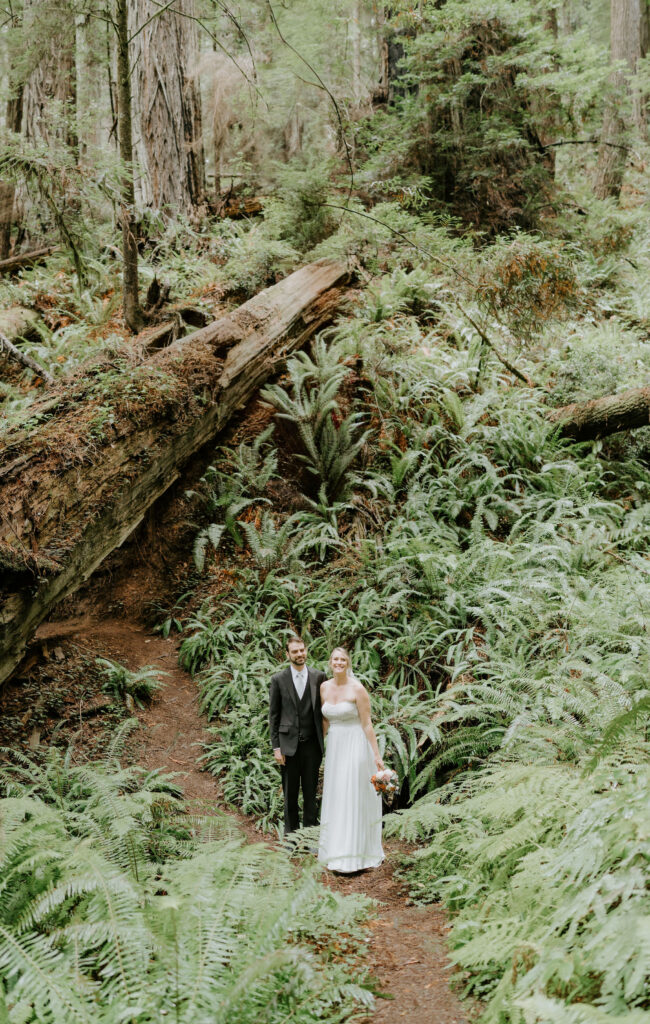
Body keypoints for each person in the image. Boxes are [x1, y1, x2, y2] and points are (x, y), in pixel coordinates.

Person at [318, 647, 385, 873]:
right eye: (335, 659)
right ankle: (335, 851)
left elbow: (367, 724)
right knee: (337, 794)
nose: (339, 663)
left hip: (356, 744)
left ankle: (356, 854)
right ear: (330, 663)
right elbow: (325, 722)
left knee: (353, 793)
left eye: (342, 659)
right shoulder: (324, 687)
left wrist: (376, 755)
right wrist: (318, 747)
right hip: (335, 746)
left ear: (348, 663)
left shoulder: (358, 689)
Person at [269, 635, 327, 835]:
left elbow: (324, 711)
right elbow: (274, 716)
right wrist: (276, 748)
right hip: (288, 747)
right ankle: (291, 837)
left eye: (302, 649)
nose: (300, 654)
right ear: (287, 654)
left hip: (312, 746)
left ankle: (310, 837)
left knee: (311, 794)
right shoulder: (278, 680)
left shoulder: (319, 677)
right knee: (290, 795)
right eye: (295, 651)